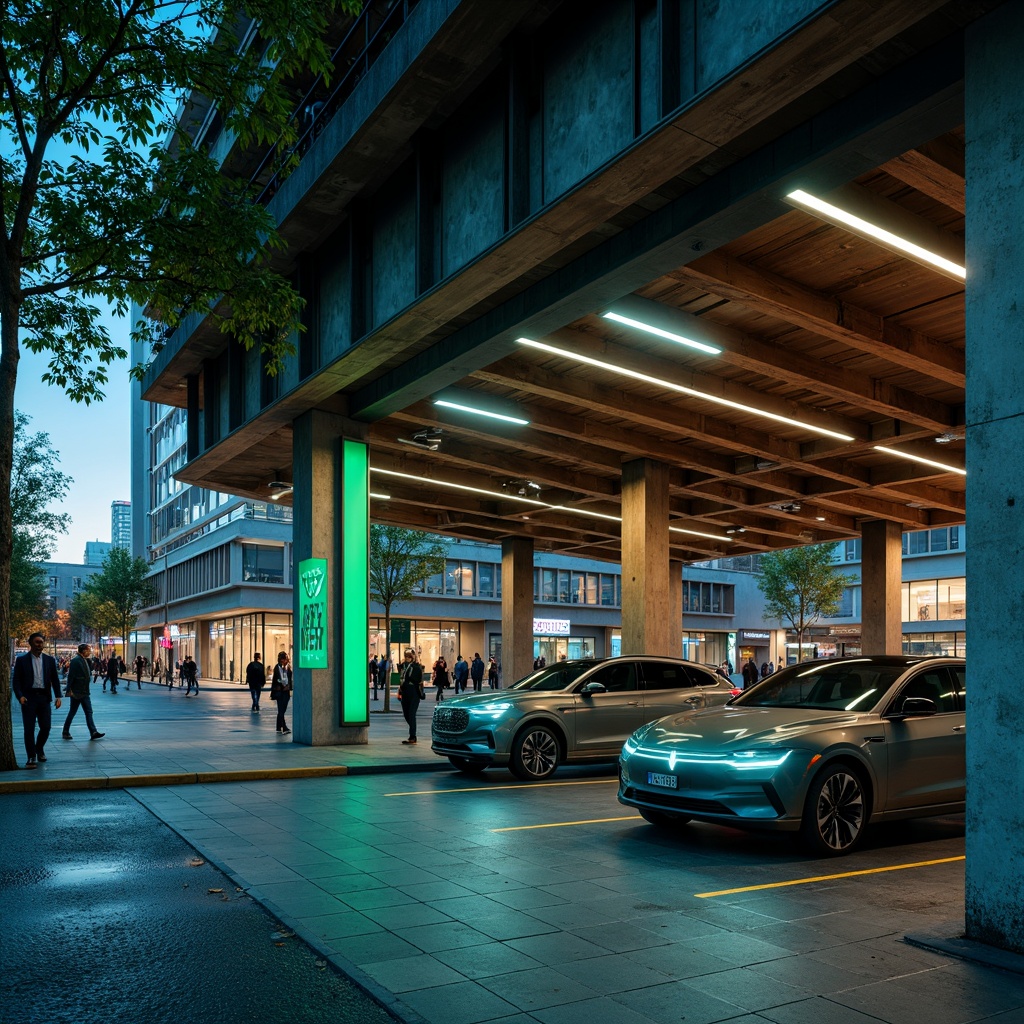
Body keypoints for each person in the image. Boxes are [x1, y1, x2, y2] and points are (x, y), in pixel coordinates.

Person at [11, 632, 63, 769]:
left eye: (41, 642)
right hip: (28, 698)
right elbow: (16, 681)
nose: (40, 645)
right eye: (37, 642)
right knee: (29, 729)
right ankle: (31, 756)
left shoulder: (49, 660)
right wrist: (20, 696)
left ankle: (39, 748)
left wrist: (58, 696)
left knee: (46, 727)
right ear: (30, 643)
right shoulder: (22, 660)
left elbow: (55, 679)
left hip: (44, 698)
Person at [62, 643, 104, 741]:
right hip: (77, 692)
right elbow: (71, 676)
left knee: (89, 712)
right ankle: (65, 731)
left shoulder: (85, 660)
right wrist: (69, 689)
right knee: (73, 712)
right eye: (88, 650)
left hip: (84, 691)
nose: (90, 652)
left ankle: (93, 731)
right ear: (84, 650)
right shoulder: (76, 661)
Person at [397, 649, 424, 744]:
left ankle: (413, 736)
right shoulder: (405, 667)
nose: (406, 659)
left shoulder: (416, 667)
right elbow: (402, 678)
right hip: (405, 692)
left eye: (408, 657)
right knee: (406, 713)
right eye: (406, 657)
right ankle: (413, 729)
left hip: (413, 693)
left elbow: (417, 680)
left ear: (412, 658)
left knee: (411, 714)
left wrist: (408, 677)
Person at [270, 651, 292, 734]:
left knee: (282, 709)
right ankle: (284, 727)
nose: (284, 661)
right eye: (282, 660)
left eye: (285, 659)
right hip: (280, 691)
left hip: (286, 691)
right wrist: (282, 684)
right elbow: (277, 679)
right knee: (281, 710)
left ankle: (279, 727)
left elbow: (289, 678)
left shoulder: (288, 668)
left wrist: (288, 686)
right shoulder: (277, 668)